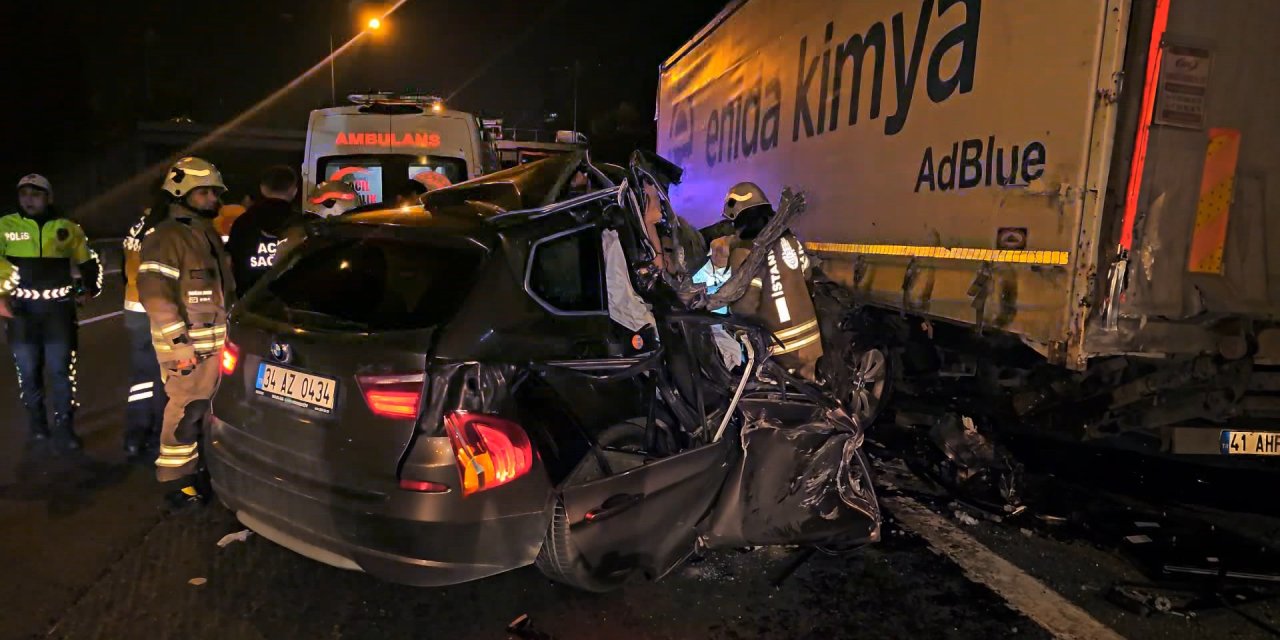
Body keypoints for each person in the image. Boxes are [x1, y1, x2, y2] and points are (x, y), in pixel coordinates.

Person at [137, 156, 233, 502]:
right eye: (204, 192)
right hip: (188, 349)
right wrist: (179, 344)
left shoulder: (203, 234)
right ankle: (176, 480)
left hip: (213, 346)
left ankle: (199, 468)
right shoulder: (168, 237)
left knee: (203, 412)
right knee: (186, 411)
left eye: (213, 192)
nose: (213, 199)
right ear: (181, 193)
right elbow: (155, 295)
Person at [0, 174, 102, 449]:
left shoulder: (68, 228)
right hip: (21, 312)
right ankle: (37, 426)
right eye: (24, 194)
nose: (29, 199)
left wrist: (88, 289)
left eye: (36, 194)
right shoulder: (5, 226)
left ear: (49, 197)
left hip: (58, 311)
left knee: (60, 372)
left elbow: (88, 262)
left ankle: (65, 428)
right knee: (29, 372)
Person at [721, 181, 823, 380]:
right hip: (811, 343)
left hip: (780, 352)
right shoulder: (790, 240)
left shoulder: (746, 252)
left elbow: (745, 307)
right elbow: (806, 274)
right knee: (812, 400)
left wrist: (728, 317)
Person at [120, 202, 170, 457]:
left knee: (142, 377)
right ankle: (160, 436)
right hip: (161, 310)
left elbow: (124, 269)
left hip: (136, 308)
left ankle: (135, 435)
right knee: (166, 377)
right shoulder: (169, 227)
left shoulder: (137, 225)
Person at [225, 165, 299, 298]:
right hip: (292, 301)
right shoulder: (302, 222)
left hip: (250, 301)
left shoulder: (242, 223)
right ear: (294, 191)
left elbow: (231, 261)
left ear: (262, 189)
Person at [692, 236, 732, 315]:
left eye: (721, 253)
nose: (716, 255)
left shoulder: (735, 273)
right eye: (714, 251)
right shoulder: (698, 267)